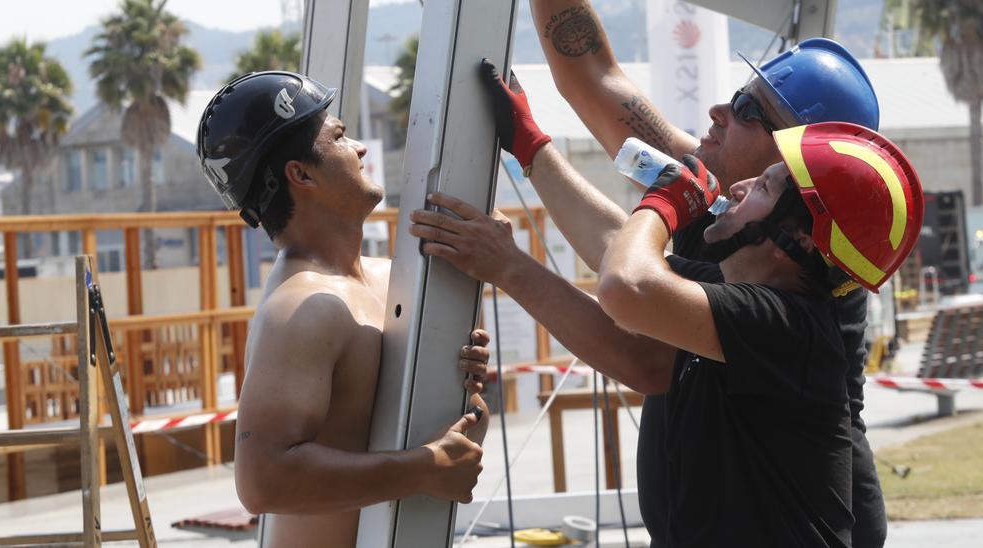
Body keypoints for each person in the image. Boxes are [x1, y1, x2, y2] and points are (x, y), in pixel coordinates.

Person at [413, 121, 923, 546]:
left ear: (797, 242)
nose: (741, 187)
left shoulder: (785, 323)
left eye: (764, 188)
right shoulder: (740, 292)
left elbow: (628, 285)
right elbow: (617, 247)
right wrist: (530, 145)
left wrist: (665, 202)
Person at [498, 3, 889, 544]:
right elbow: (593, 80)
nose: (717, 112)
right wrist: (530, 146)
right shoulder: (732, 212)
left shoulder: (786, 285)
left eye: (747, 108)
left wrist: (508, 265)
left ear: (803, 165)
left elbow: (643, 344)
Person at [195, 71, 493, 547]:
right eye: (338, 136)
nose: (359, 148)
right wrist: (422, 468)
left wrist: (464, 377)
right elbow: (263, 480)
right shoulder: (303, 306)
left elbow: (445, 437)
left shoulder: (389, 278)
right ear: (302, 174)